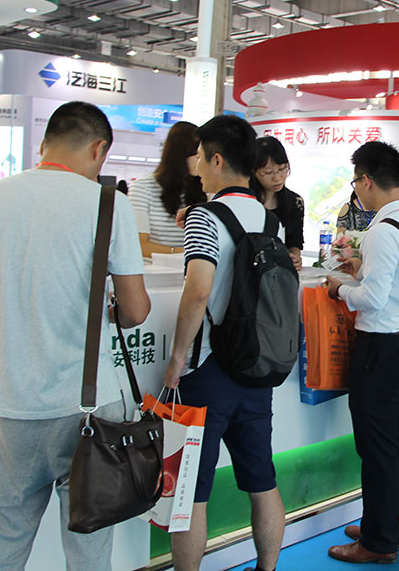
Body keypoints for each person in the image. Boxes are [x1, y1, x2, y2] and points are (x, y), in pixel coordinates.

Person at [0, 101, 151, 569]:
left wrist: (9, 300)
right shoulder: (109, 204)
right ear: (98, 149)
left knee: (6, 541)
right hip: (89, 409)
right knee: (89, 551)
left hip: (13, 408)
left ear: (45, 143)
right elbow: (135, 312)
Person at [161, 116, 286, 571]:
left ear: (216, 160)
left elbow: (199, 290)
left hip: (207, 372)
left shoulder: (205, 215)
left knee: (191, 493)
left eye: (199, 156)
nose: (195, 165)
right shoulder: (271, 221)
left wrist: (177, 358)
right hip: (256, 367)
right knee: (262, 483)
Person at [324, 142, 399, 564]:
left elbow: (371, 299)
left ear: (366, 180)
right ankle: (381, 525)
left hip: (382, 349)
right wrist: (363, 272)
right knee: (390, 444)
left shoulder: (382, 231)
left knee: (377, 449)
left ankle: (378, 541)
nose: (356, 190)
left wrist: (340, 288)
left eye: (356, 182)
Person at [128, 121, 205, 257]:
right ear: (180, 155)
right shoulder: (142, 188)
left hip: (194, 267)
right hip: (155, 268)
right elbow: (140, 245)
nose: (201, 161)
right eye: (197, 155)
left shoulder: (204, 189)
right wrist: (185, 253)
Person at [250, 136, 305, 271]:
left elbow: (294, 241)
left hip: (278, 273)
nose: (277, 178)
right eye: (268, 172)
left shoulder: (295, 202)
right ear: (253, 172)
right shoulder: (247, 202)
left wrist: (294, 258)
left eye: (282, 169)